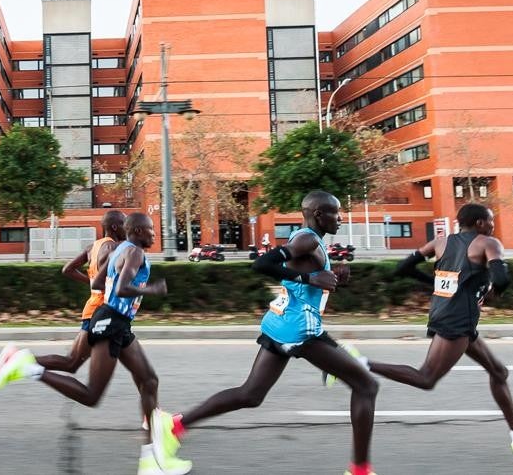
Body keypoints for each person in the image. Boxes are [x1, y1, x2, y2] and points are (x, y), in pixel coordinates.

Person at [152, 191, 378, 475]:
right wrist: (311, 278)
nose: (341, 218)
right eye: (336, 212)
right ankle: (360, 471)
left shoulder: (311, 240)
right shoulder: (306, 239)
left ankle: (174, 425)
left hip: (283, 324)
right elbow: (262, 264)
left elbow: (298, 278)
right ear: (319, 214)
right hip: (300, 331)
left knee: (251, 394)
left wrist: (330, 280)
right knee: (367, 386)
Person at [0, 212, 190, 475]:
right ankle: (29, 369)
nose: (155, 234)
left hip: (116, 322)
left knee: (149, 381)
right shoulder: (134, 253)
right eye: (152, 229)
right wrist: (150, 290)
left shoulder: (120, 250)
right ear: (139, 231)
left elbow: (97, 282)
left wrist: (119, 296)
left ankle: (151, 459)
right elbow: (121, 288)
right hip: (111, 323)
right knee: (91, 395)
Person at [363, 202, 513, 463]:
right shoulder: (488, 243)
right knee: (426, 378)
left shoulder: (440, 242)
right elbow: (502, 278)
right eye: (490, 220)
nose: (492, 225)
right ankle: (359, 363)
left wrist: (436, 283)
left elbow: (403, 268)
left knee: (499, 372)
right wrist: (492, 292)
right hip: (458, 320)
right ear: (479, 223)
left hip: (446, 313)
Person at [32, 210, 127, 373]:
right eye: (125, 224)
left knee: (72, 362)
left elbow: (67, 269)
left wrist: (92, 282)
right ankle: (20, 360)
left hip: (97, 308)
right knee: (72, 363)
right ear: (114, 227)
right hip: (101, 311)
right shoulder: (115, 247)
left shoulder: (93, 247)